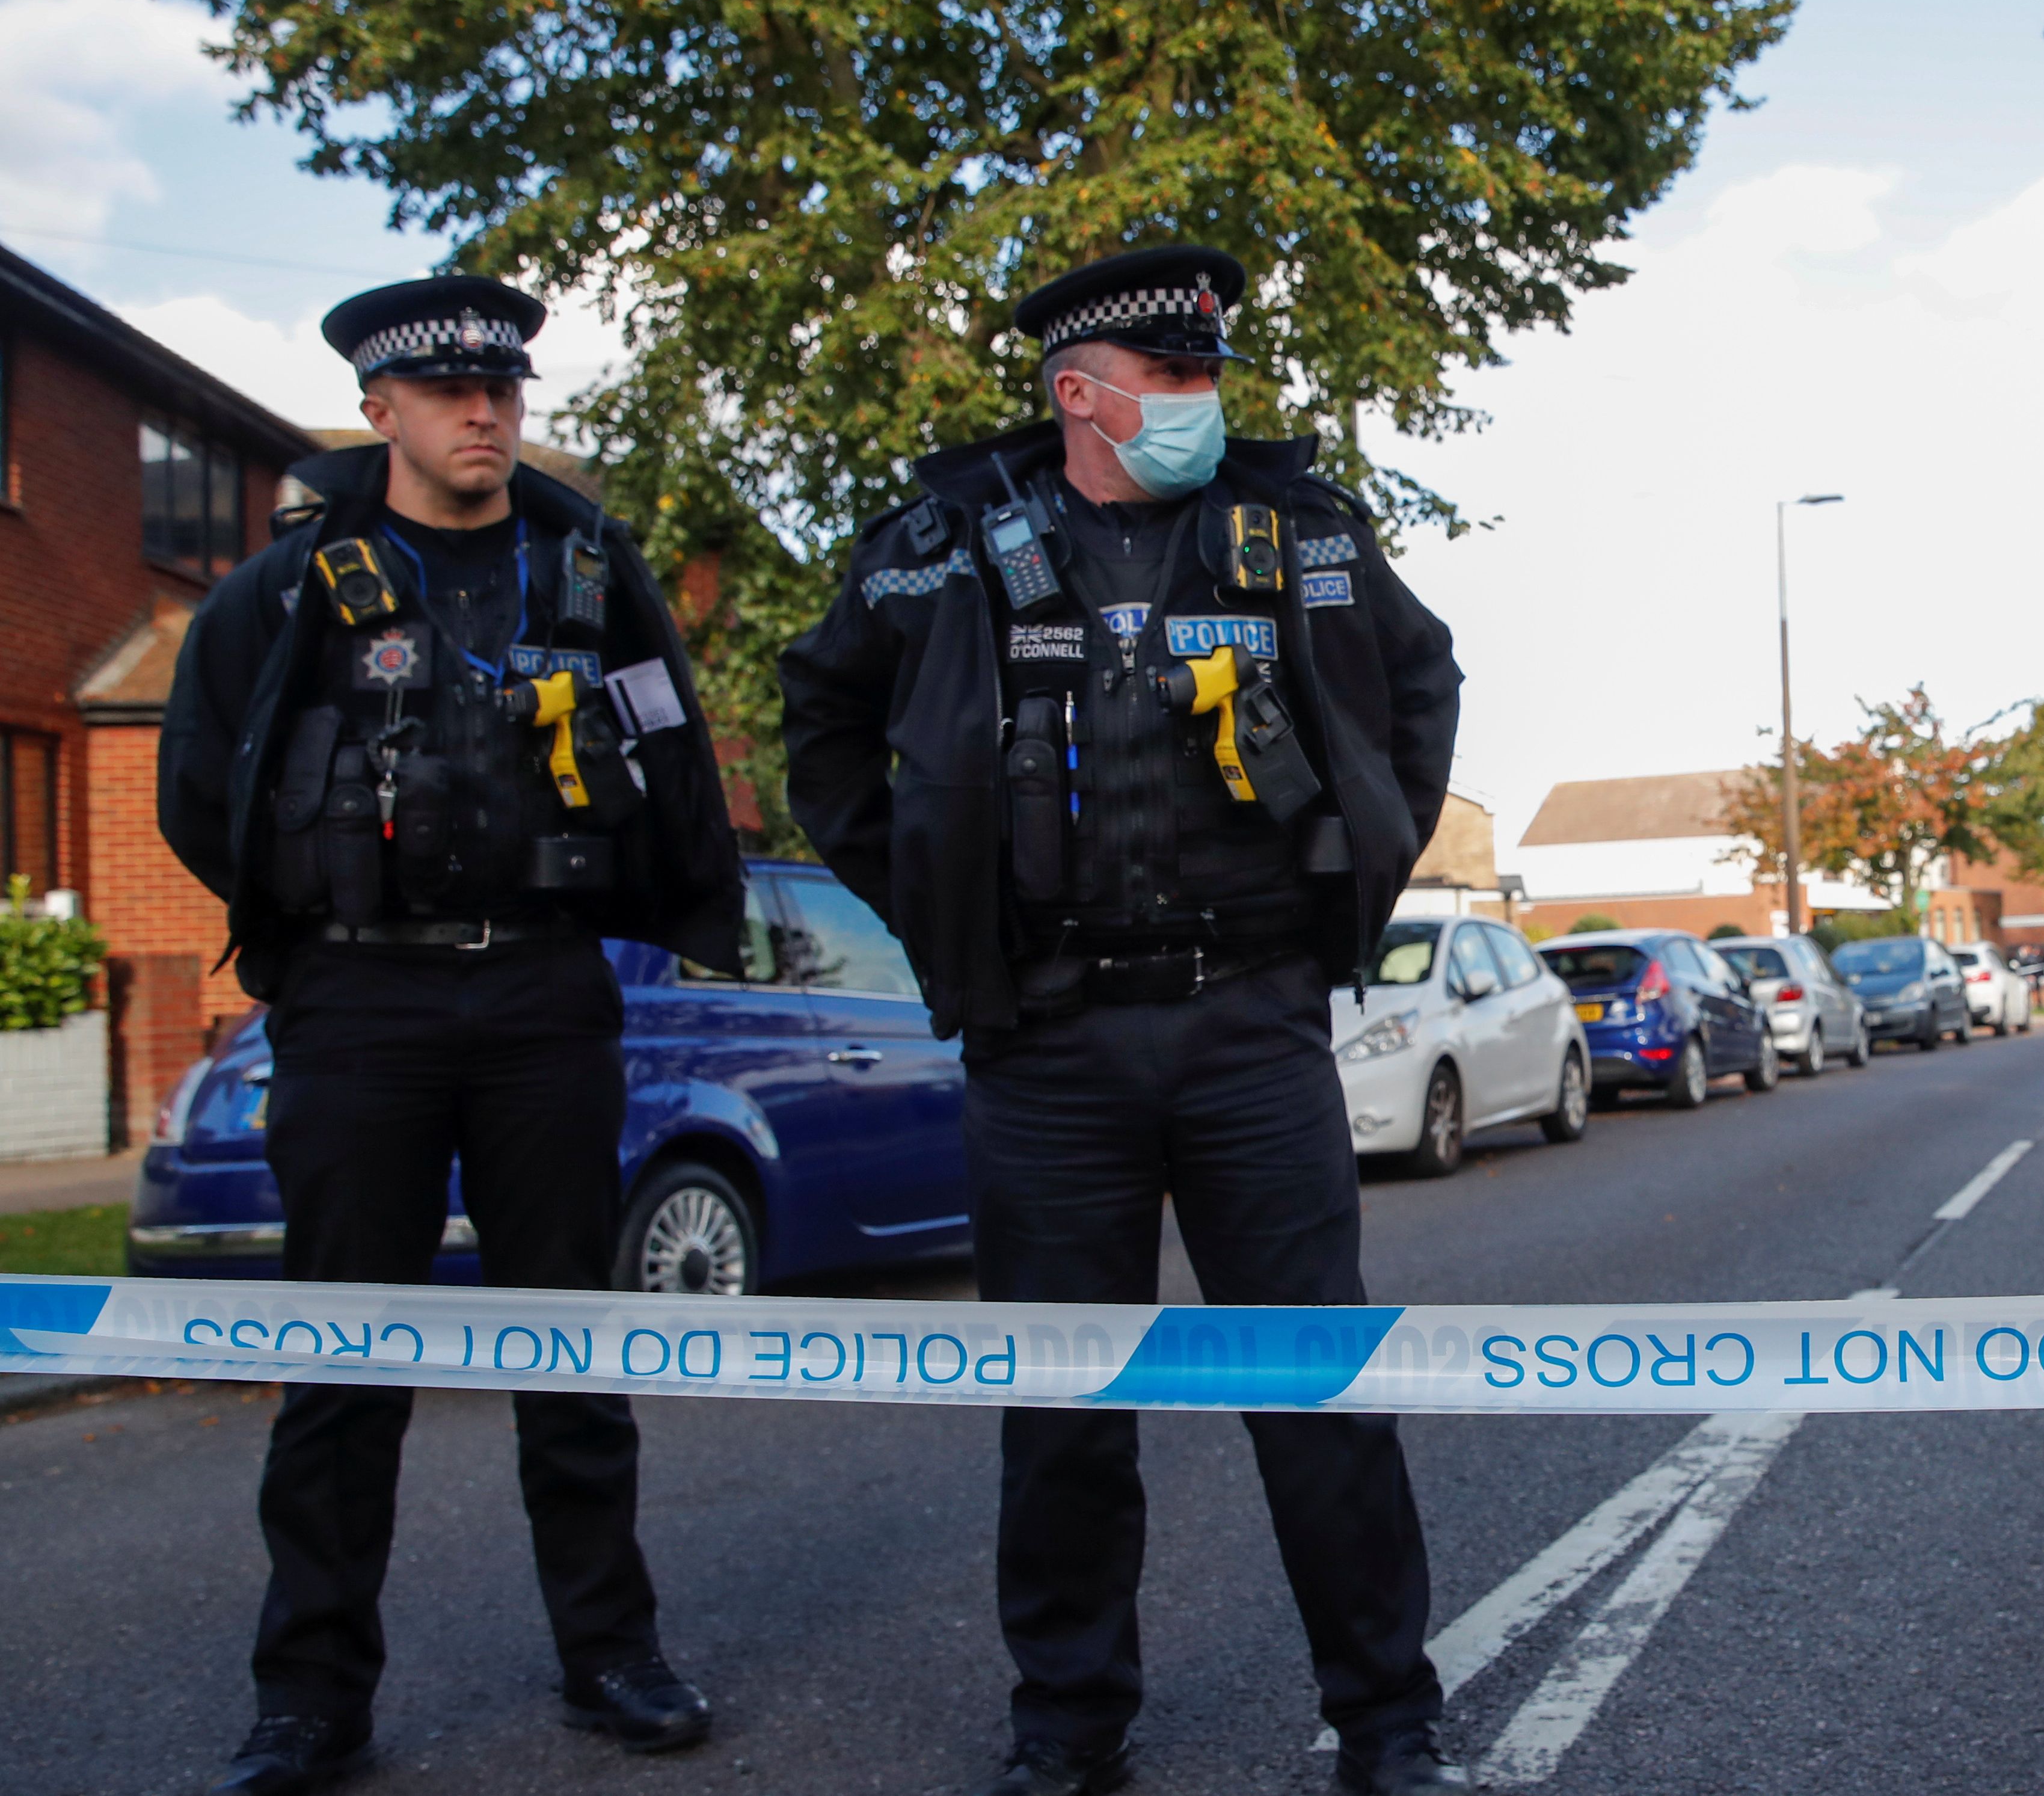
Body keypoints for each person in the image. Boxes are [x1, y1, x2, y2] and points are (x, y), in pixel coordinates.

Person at [778, 245, 1470, 1796]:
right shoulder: (944, 543)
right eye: (1173, 378)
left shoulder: (1300, 529)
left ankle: (1388, 1720)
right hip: (1046, 1043)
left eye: (1215, 372)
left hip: (1252, 1029)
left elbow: (1421, 688)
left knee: (1313, 1391)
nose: (1203, 402)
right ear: (1080, 393)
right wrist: (934, 902)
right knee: (1068, 1410)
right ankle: (1069, 1725)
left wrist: (1351, 875)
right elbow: (820, 720)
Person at [158, 277, 749, 1795]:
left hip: (547, 996)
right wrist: (321, 914)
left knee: (573, 1347)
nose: (484, 411)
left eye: (503, 387)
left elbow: (670, 742)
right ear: (382, 413)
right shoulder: (285, 592)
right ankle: (309, 1702)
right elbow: (197, 789)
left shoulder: (589, 575)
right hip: (361, 1006)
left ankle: (611, 1651)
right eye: (448, 392)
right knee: (342, 1363)